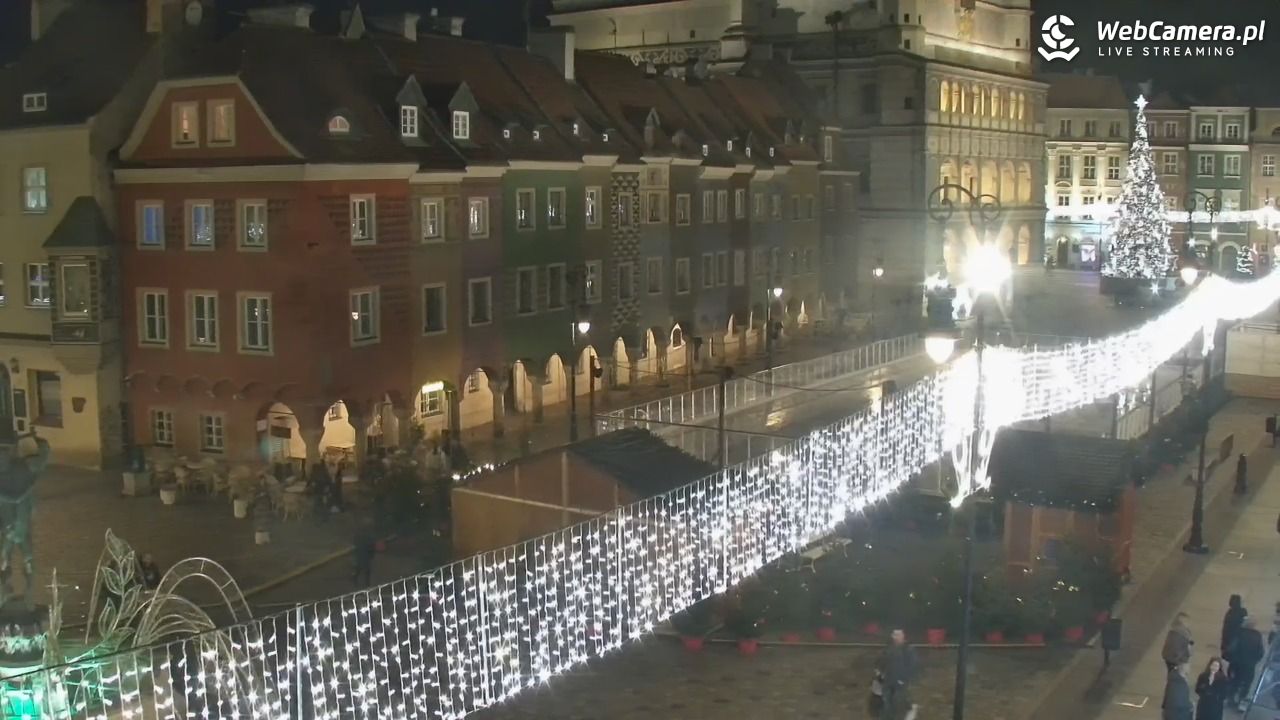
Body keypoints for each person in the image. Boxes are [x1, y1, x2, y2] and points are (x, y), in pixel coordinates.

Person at [876, 628, 918, 720]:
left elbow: (912, 665)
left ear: (903, 636)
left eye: (899, 635)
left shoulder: (908, 649)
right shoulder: (888, 648)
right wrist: (880, 673)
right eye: (895, 635)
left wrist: (904, 679)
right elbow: (881, 661)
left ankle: (909, 708)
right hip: (888, 679)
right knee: (887, 701)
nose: (896, 637)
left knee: (897, 700)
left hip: (900, 680)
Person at [1228, 617, 1265, 708]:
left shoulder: (1239, 633)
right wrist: (1254, 661)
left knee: (1234, 681)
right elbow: (1261, 652)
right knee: (1247, 683)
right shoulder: (1257, 635)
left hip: (1237, 664)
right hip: (1250, 665)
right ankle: (1241, 700)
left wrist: (1230, 658)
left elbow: (1232, 648)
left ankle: (1231, 699)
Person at [351, 521, 376, 588]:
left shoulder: (358, 535)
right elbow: (372, 546)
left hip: (360, 554)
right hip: (365, 554)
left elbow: (354, 544)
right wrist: (371, 554)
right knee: (366, 570)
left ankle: (355, 578)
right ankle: (367, 584)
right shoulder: (369, 536)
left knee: (359, 568)